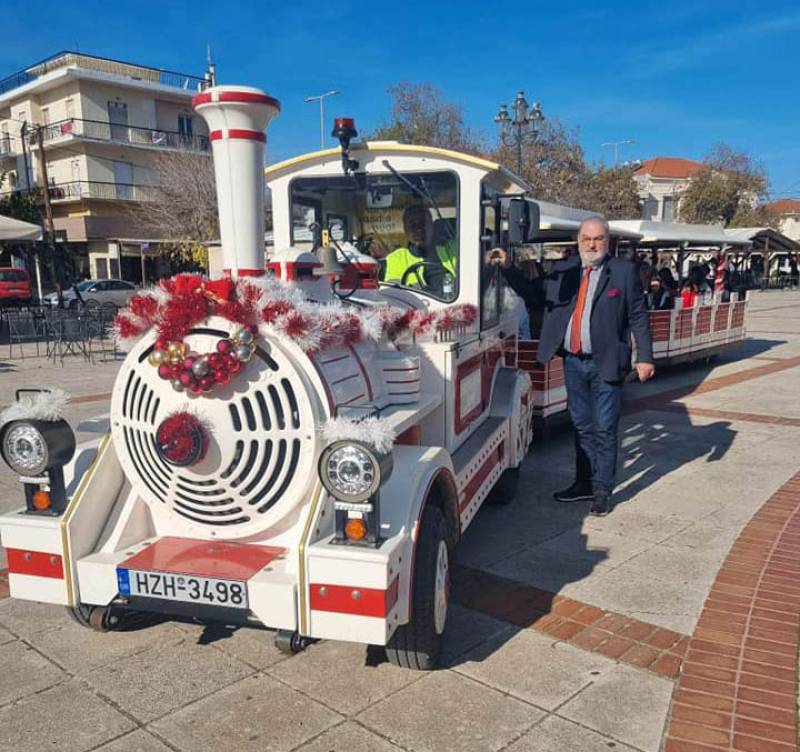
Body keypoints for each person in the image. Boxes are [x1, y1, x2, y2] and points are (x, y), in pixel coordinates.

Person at [495, 216, 655, 516]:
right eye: (586, 239)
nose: (592, 244)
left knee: (605, 428)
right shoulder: (564, 269)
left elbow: (637, 314)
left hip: (607, 362)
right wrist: (508, 268)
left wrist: (645, 356)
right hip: (573, 361)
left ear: (608, 242)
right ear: (578, 241)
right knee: (581, 426)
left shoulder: (623, 272)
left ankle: (602, 490)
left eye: (598, 239)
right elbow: (533, 294)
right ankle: (584, 483)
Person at [382, 205, 457, 297]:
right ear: (405, 229)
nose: (418, 229)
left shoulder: (453, 248)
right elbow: (393, 293)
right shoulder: (396, 258)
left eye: (423, 223)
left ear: (431, 225)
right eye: (412, 224)